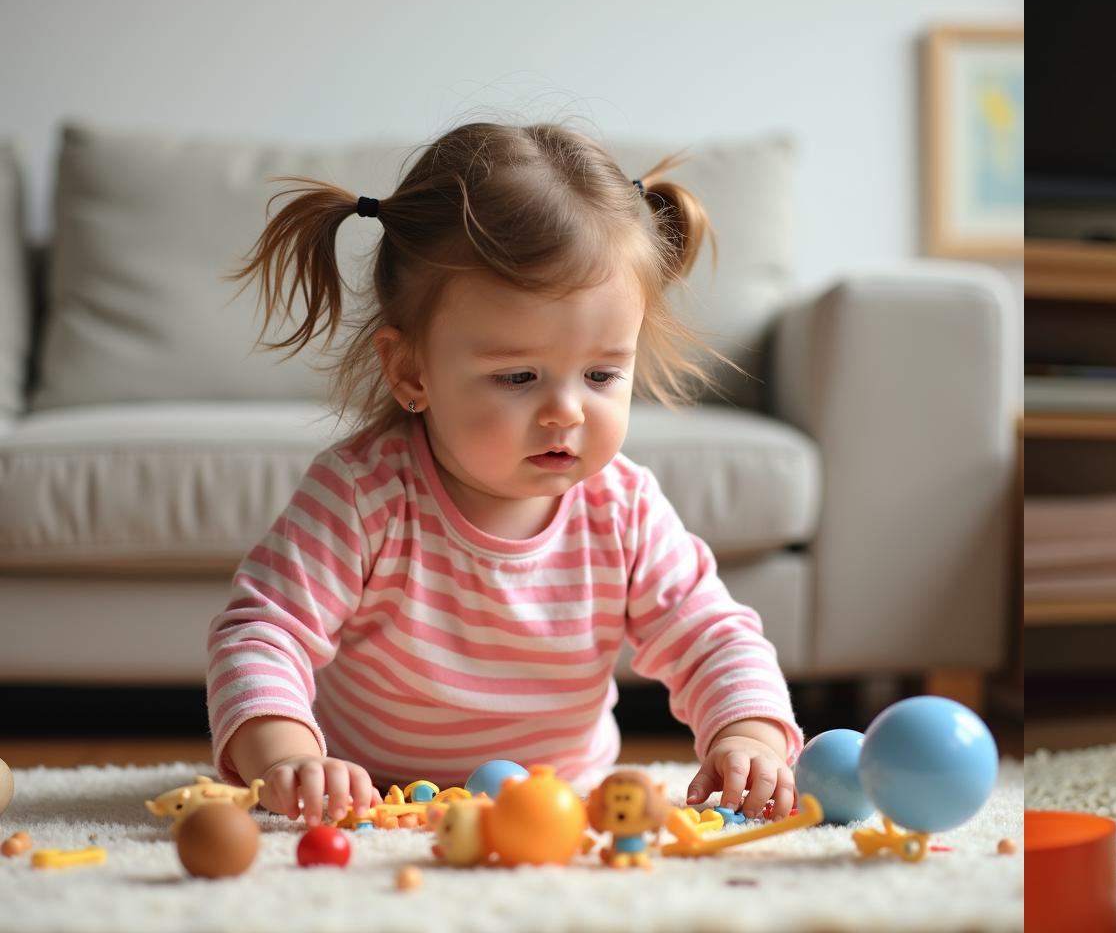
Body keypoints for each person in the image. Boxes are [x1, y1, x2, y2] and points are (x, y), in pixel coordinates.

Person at [205, 120, 801, 825]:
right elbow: (263, 633)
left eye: (602, 373)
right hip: (380, 804)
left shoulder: (622, 507)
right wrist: (286, 759)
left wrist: (748, 734)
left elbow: (711, 636)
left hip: (562, 808)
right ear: (410, 370)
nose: (565, 412)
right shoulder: (363, 496)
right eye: (518, 376)